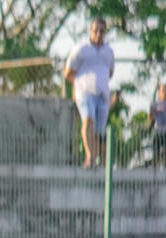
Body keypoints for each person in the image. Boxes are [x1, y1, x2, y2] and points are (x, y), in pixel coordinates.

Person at [63, 18, 115, 168]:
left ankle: (98, 160)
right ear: (90, 31)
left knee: (99, 130)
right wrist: (79, 84)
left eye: (102, 31)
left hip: (102, 94)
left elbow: (110, 72)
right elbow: (68, 73)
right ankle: (90, 156)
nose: (99, 34)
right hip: (85, 92)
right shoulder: (81, 49)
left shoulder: (108, 52)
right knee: (88, 120)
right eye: (96, 30)